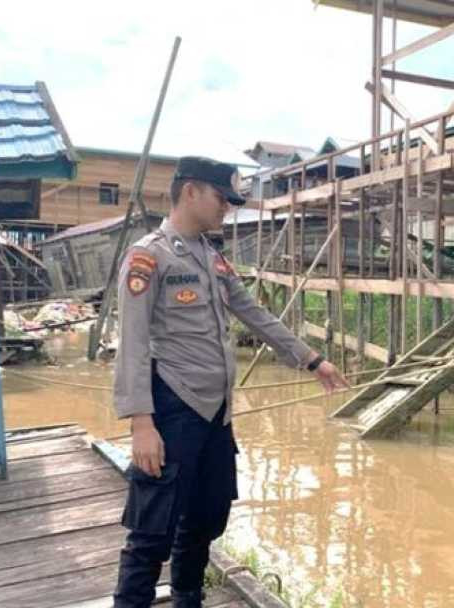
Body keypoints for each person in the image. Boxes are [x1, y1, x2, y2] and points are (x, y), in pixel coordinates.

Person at [111, 156, 349, 608]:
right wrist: (141, 423)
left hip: (216, 413)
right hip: (172, 407)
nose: (227, 208)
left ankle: (187, 598)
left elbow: (255, 315)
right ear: (191, 192)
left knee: (205, 518)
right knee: (151, 531)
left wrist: (312, 359)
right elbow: (133, 344)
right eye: (222, 198)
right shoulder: (149, 256)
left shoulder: (212, 258)